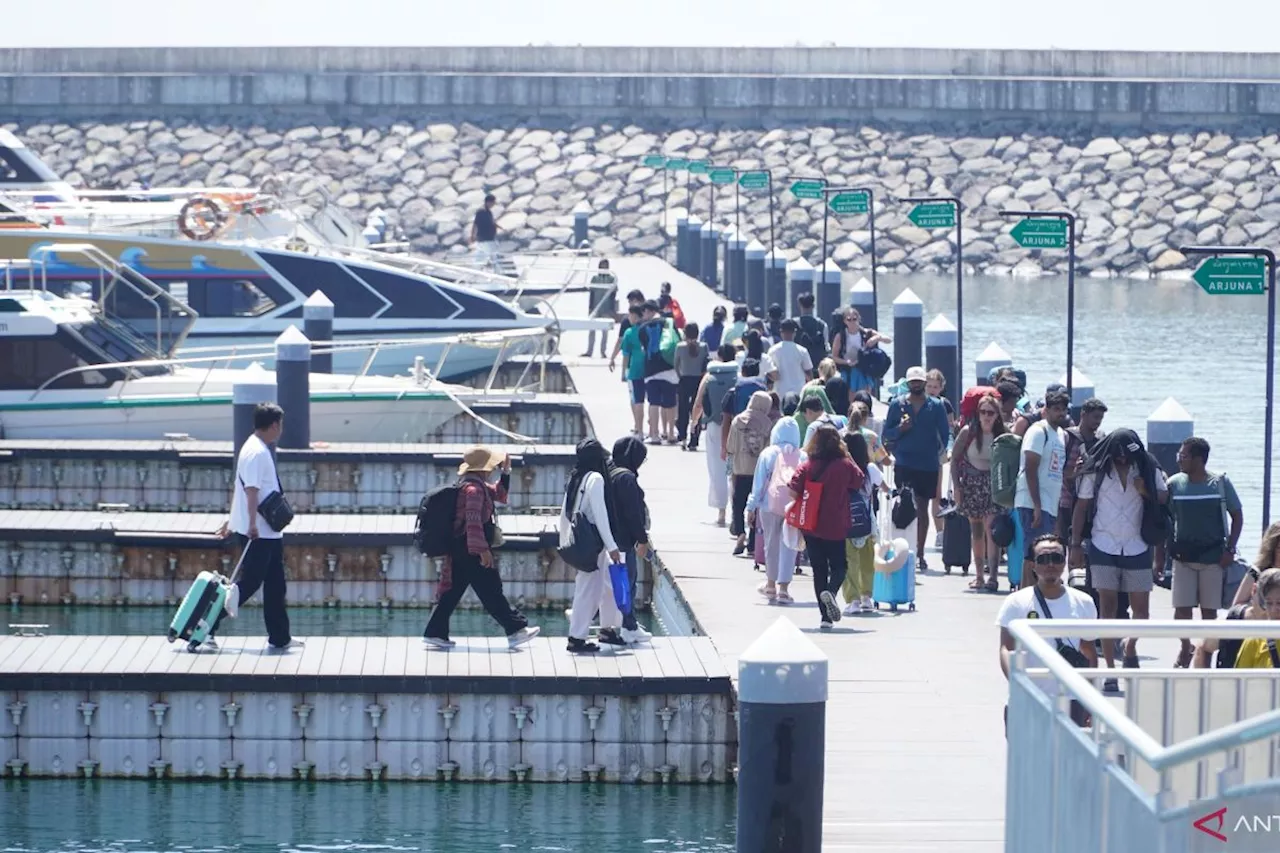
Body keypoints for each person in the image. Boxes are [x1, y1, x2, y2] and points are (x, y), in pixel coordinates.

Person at [1069, 429, 1168, 692]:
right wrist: (1075, 544)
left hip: (1137, 545)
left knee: (1142, 612)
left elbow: (1163, 497)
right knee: (1107, 609)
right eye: (1119, 456)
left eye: (1127, 457)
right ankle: (1110, 670)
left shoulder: (1148, 466)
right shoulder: (1097, 468)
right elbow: (1081, 506)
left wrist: (1145, 490)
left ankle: (1130, 645)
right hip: (1103, 543)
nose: (1123, 460)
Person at [423, 447, 539, 650]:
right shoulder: (474, 490)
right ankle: (515, 630)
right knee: (491, 590)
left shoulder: (474, 485)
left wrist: (506, 472)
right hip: (471, 549)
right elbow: (473, 521)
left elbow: (500, 494)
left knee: (452, 591)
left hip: (462, 548)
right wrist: (482, 550)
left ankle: (435, 633)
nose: (492, 469)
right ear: (483, 468)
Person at [213, 402, 299, 652]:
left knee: (276, 584)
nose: (280, 430)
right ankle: (206, 625)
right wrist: (250, 524)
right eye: (280, 425)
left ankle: (280, 637)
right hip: (258, 532)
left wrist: (232, 520)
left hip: (269, 531)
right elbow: (251, 490)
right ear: (273, 425)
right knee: (248, 583)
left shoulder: (256, 448)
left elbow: (241, 490)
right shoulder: (256, 452)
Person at [996, 534, 1098, 732]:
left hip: (1071, 700)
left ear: (1065, 562)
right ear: (1033, 565)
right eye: (1043, 559)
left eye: (1057, 558)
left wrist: (1090, 700)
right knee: (1026, 761)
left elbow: (1088, 652)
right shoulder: (1016, 602)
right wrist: (1018, 682)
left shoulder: (1084, 602)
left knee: (1067, 761)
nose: (1050, 564)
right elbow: (1006, 648)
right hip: (1028, 697)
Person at [1167, 436, 1243, 668]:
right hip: (1183, 558)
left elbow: (1237, 516)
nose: (1180, 459)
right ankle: (1185, 647)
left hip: (1213, 558)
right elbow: (1165, 519)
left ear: (1199, 459)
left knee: (1209, 612)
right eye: (1179, 455)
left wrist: (1230, 548)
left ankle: (1207, 653)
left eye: (1185, 456)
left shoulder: (1219, 483)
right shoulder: (1174, 484)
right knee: (1182, 610)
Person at [788, 425, 865, 629]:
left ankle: (825, 618)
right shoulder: (844, 465)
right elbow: (859, 481)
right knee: (840, 566)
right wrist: (848, 455)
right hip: (836, 523)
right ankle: (831, 592)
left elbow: (793, 490)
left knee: (819, 570)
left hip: (811, 524)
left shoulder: (808, 465)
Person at [881, 366, 951, 570]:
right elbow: (887, 434)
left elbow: (945, 434)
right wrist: (900, 429)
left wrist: (940, 453)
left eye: (920, 381)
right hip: (904, 463)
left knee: (922, 507)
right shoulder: (897, 404)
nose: (917, 385)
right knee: (903, 506)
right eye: (913, 382)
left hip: (928, 464)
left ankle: (920, 553)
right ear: (908, 383)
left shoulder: (936, 405)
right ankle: (903, 549)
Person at [561, 439, 624, 654]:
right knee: (588, 590)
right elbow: (600, 515)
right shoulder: (596, 478)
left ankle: (602, 629)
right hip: (594, 544)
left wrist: (565, 540)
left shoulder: (576, 476)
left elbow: (565, 511)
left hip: (580, 541)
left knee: (598, 586)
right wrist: (612, 546)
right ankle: (577, 637)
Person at [1009, 389, 1071, 589]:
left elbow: (1055, 471)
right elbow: (1030, 468)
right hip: (1032, 502)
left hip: (1050, 504)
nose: (1060, 413)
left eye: (1063, 409)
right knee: (1032, 554)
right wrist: (1036, 505)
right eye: (1056, 409)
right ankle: (1025, 594)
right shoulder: (1038, 431)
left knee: (1040, 553)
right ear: (1047, 409)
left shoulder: (1061, 434)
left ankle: (1037, 593)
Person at [748, 417, 807, 605]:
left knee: (770, 544)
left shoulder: (768, 453)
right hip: (793, 506)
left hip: (769, 505)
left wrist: (751, 507)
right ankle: (784, 589)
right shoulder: (802, 456)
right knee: (789, 546)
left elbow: (758, 484)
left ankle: (771, 584)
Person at [950, 391, 1005, 592]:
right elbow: (954, 460)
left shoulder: (1002, 434)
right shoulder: (968, 432)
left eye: (990, 412)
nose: (986, 416)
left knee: (991, 530)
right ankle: (979, 576)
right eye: (983, 412)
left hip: (993, 486)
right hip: (971, 484)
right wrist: (957, 487)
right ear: (978, 413)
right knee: (977, 532)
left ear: (997, 414)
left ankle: (993, 577)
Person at [607, 436, 655, 645]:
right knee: (627, 585)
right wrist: (642, 540)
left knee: (614, 586)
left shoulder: (609, 471)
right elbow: (632, 514)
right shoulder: (626, 478)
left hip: (609, 539)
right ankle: (629, 626)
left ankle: (625, 624)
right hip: (623, 541)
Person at [689, 343, 738, 525]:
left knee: (716, 468)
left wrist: (693, 422)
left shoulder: (709, 377)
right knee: (736, 468)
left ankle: (721, 512)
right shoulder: (738, 376)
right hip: (736, 425)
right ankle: (737, 510)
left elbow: (699, 404)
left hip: (714, 426)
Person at [840, 430, 889, 614]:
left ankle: (852, 600)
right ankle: (866, 597)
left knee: (848, 560)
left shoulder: (842, 467)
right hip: (867, 521)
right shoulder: (870, 469)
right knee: (867, 560)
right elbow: (885, 487)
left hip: (845, 520)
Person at [1193, 567, 1279, 668]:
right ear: (1254, 590)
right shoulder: (1233, 621)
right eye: (1268, 603)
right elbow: (1202, 647)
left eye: (1279, 603)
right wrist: (1207, 681)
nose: (1273, 610)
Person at [727, 391, 774, 557]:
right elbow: (769, 451)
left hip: (740, 470)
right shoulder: (768, 424)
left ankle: (740, 533)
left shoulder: (737, 420)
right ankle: (753, 543)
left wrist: (730, 470)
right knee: (756, 507)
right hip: (758, 473)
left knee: (737, 504)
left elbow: (730, 448)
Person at [637, 300, 679, 444]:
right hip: (669, 369)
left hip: (651, 370)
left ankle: (654, 435)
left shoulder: (642, 329)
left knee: (653, 403)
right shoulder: (668, 323)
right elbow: (677, 342)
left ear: (648, 311)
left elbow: (645, 348)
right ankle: (671, 434)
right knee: (670, 403)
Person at [925, 368, 957, 542]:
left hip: (937, 452)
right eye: (929, 386)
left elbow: (950, 429)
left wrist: (949, 449)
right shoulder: (920, 402)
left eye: (935, 386)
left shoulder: (945, 404)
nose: (932, 390)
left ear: (941, 387)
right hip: (921, 451)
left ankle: (939, 532)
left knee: (937, 494)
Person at [831, 307, 890, 394]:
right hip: (848, 368)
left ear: (859, 319)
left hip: (864, 367)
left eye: (854, 319)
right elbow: (834, 357)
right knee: (850, 391)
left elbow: (889, 340)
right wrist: (846, 362)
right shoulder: (841, 336)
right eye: (849, 320)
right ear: (844, 321)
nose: (852, 322)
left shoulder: (865, 333)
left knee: (866, 390)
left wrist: (877, 338)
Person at [674, 322, 709, 446]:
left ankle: (682, 436)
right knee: (696, 409)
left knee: (682, 409)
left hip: (684, 380)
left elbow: (676, 365)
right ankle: (694, 439)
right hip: (698, 381)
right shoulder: (704, 347)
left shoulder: (680, 347)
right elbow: (706, 364)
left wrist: (680, 376)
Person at [616, 305, 648, 437]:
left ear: (635, 316)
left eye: (630, 315)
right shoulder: (648, 330)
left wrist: (623, 372)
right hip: (650, 370)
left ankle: (639, 429)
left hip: (634, 370)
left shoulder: (629, 332)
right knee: (653, 402)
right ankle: (654, 431)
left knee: (637, 401)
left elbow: (626, 354)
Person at [764, 318, 813, 398]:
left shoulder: (773, 350)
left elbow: (769, 374)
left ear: (781, 332)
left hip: (779, 393)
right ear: (795, 332)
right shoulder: (802, 350)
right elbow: (809, 374)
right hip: (799, 392)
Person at [582, 259, 618, 358]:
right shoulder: (595, 278)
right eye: (602, 266)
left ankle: (603, 351)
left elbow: (613, 295)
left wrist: (612, 309)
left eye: (605, 266)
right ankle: (589, 351)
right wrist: (590, 308)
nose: (604, 268)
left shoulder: (612, 279)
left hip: (606, 308)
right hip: (595, 307)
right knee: (591, 329)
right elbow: (592, 293)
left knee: (604, 331)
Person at [607, 289, 646, 371]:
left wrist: (612, 358)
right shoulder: (650, 318)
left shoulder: (627, 321)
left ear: (635, 301)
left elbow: (620, 342)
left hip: (632, 365)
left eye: (629, 302)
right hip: (649, 365)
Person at [793, 292, 829, 370]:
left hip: (798, 366)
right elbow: (826, 347)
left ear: (800, 305)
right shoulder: (822, 325)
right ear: (813, 306)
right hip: (817, 367)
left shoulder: (794, 323)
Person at [469, 193, 500, 265]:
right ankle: (497, 272)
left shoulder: (489, 212)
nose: (494, 204)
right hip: (484, 238)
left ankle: (477, 270)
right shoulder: (481, 212)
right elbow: (475, 224)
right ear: (488, 202)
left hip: (490, 238)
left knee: (486, 255)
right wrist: (472, 235)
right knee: (491, 255)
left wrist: (500, 227)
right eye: (493, 202)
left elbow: (492, 222)